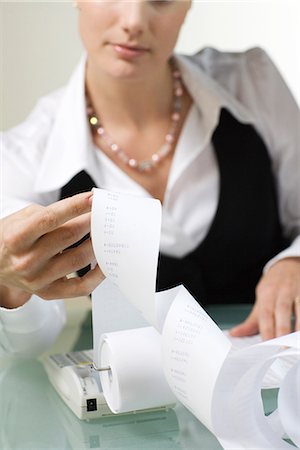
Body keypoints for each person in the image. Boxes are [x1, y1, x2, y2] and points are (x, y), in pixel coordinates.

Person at [1, 0, 299, 358]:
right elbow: (28, 344)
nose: (134, 21)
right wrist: (9, 285)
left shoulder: (254, 82)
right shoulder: (23, 155)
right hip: (131, 395)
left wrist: (294, 262)